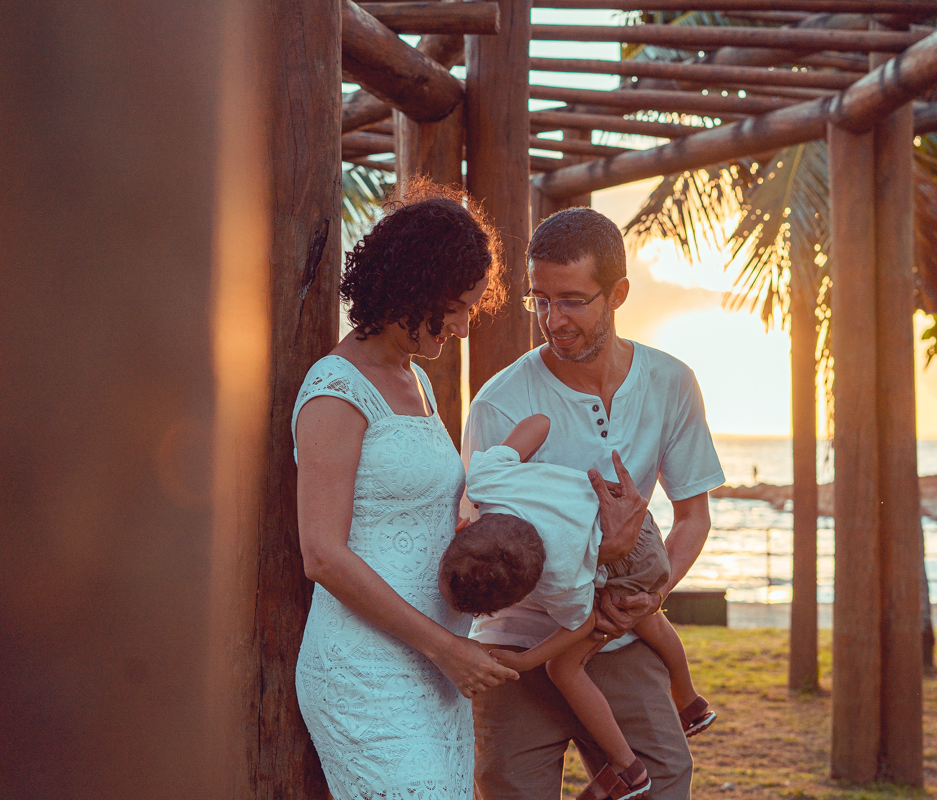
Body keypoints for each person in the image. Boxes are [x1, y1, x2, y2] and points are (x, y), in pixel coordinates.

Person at [463, 207, 725, 800]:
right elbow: (482, 549)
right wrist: (597, 561)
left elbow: (693, 515)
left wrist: (644, 598)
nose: (553, 320)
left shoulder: (671, 382)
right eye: (540, 300)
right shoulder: (500, 404)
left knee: (663, 785)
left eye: (573, 300)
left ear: (619, 293)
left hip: (621, 641)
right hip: (518, 645)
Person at [292, 180, 520, 800]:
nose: (466, 328)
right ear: (416, 287)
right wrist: (446, 647)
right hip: (365, 672)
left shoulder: (414, 378)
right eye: (458, 307)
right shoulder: (336, 391)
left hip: (435, 673)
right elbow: (323, 554)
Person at [441, 415, 715, 800]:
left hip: (623, 557)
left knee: (564, 668)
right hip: (634, 517)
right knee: (649, 620)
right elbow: (539, 422)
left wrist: (527, 660)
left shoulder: (560, 575)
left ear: (527, 591)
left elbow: (583, 623)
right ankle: (690, 701)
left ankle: (627, 768)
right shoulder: (488, 479)